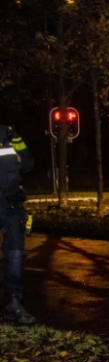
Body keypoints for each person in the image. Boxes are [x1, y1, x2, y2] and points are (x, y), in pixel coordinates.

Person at [0, 123, 35, 324]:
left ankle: (14, 302)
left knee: (14, 255)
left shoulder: (10, 134)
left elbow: (29, 164)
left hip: (12, 204)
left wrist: (19, 160)